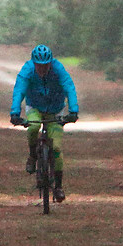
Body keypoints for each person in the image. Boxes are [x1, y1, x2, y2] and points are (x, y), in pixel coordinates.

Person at [10, 42, 79, 201]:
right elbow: (19, 90)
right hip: (34, 106)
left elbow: (69, 87)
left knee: (55, 147)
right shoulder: (27, 70)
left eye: (45, 65)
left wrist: (73, 111)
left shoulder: (58, 69)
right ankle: (33, 155)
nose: (42, 69)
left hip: (55, 109)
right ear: (34, 64)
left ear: (50, 63)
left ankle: (59, 186)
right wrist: (15, 113)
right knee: (33, 127)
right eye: (39, 66)